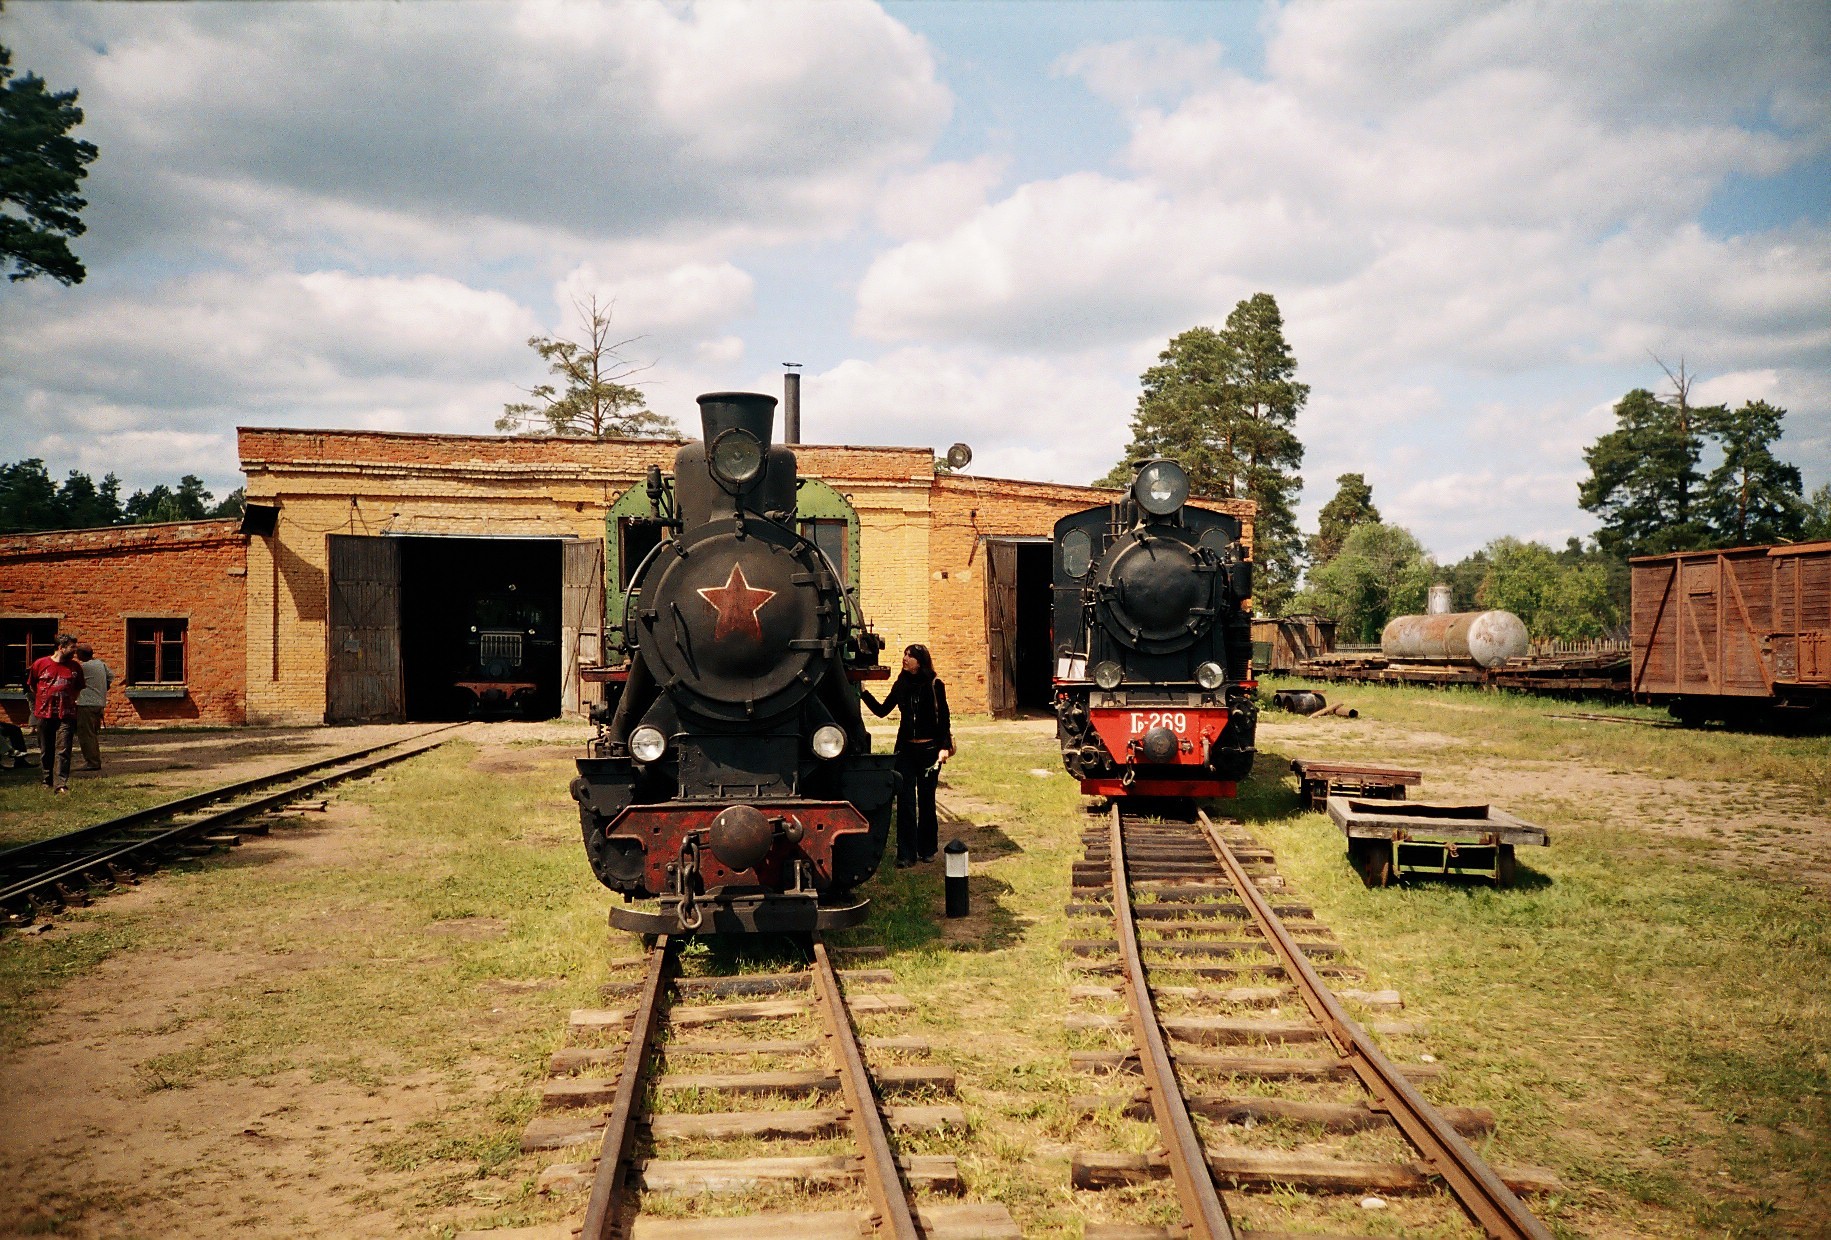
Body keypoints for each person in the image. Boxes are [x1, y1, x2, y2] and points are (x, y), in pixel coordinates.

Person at [861, 643, 954, 868]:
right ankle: (906, 854)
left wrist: (944, 747)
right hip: (905, 751)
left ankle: (928, 849)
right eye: (904, 654)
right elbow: (882, 711)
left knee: (926, 800)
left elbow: (944, 720)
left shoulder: (935, 685)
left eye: (910, 656)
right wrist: (863, 692)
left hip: (929, 751)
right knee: (905, 802)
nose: (905, 659)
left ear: (920, 662)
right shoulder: (901, 684)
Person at [25, 634, 84, 793]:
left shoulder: (75, 667)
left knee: (63, 749)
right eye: (72, 647)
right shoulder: (40, 664)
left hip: (67, 714)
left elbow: (78, 688)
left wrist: (70, 700)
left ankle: (61, 784)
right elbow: (32, 686)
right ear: (61, 647)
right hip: (44, 714)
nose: (74, 651)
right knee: (46, 749)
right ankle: (47, 780)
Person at [74, 642, 113, 771]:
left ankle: (92, 762)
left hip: (86, 703)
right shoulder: (100, 664)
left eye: (77, 653)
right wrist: (102, 688)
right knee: (93, 733)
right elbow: (110, 676)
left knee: (86, 734)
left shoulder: (83, 667)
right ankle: (94, 760)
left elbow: (73, 681)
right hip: (99, 703)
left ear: (81, 655)